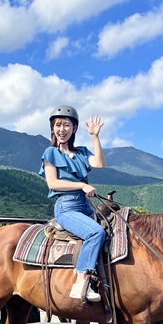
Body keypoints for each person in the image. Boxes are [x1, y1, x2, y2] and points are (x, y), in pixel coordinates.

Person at [39, 105, 106, 302]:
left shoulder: (82, 152)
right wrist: (81, 186)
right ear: (53, 128)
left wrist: (95, 136)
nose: (61, 129)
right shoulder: (50, 152)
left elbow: (100, 163)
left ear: (74, 128)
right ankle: (80, 283)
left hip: (85, 206)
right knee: (95, 233)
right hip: (66, 206)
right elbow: (53, 183)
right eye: (58, 125)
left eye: (66, 125)